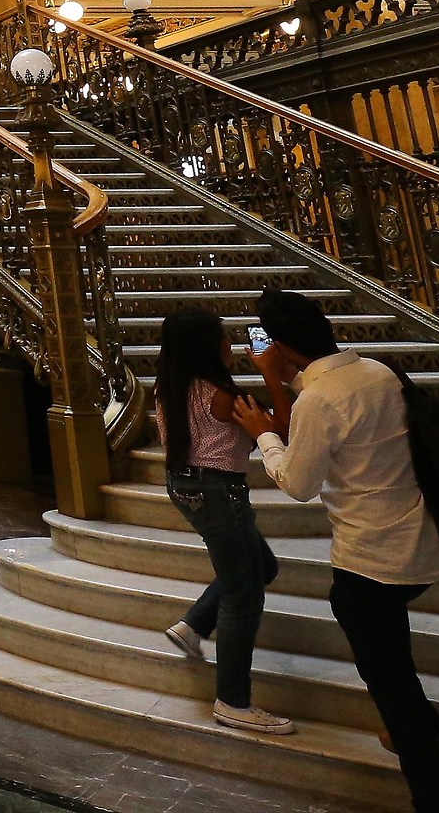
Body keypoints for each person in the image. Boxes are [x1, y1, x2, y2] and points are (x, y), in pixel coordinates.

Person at [235, 288, 439, 812]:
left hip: (370, 558)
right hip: (420, 543)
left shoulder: (319, 399)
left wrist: (265, 436)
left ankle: (435, 796)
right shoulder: (378, 373)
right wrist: (279, 378)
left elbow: (297, 482)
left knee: (387, 678)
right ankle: (433, 745)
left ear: (284, 349)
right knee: (394, 659)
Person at [153, 307, 289, 734]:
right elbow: (280, 428)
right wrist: (271, 374)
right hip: (218, 492)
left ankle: (194, 625)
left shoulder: (170, 385)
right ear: (207, 348)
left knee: (261, 566)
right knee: (243, 594)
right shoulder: (221, 395)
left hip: (185, 486)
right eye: (225, 338)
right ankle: (234, 701)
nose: (231, 345)